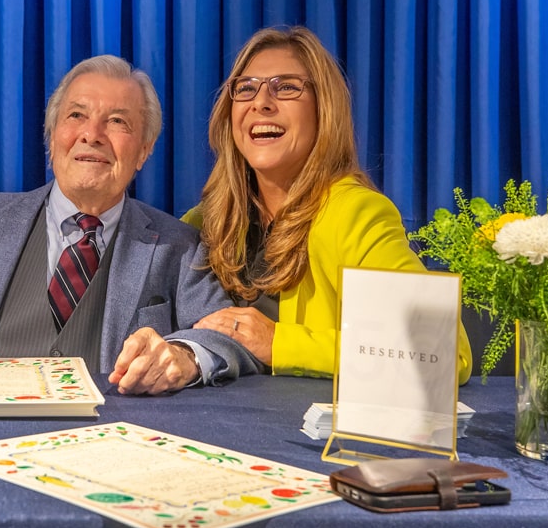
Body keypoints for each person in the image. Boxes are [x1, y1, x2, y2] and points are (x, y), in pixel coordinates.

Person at [0, 55, 261, 394]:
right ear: (51, 138)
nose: (92, 134)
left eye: (118, 121)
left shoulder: (181, 246)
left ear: (143, 150)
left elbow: (223, 337)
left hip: (107, 450)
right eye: (77, 115)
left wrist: (184, 356)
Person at [183, 26, 473, 384]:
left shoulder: (357, 214)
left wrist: (279, 342)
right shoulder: (204, 222)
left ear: (325, 110)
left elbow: (443, 353)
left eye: (286, 87)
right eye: (246, 89)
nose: (261, 102)